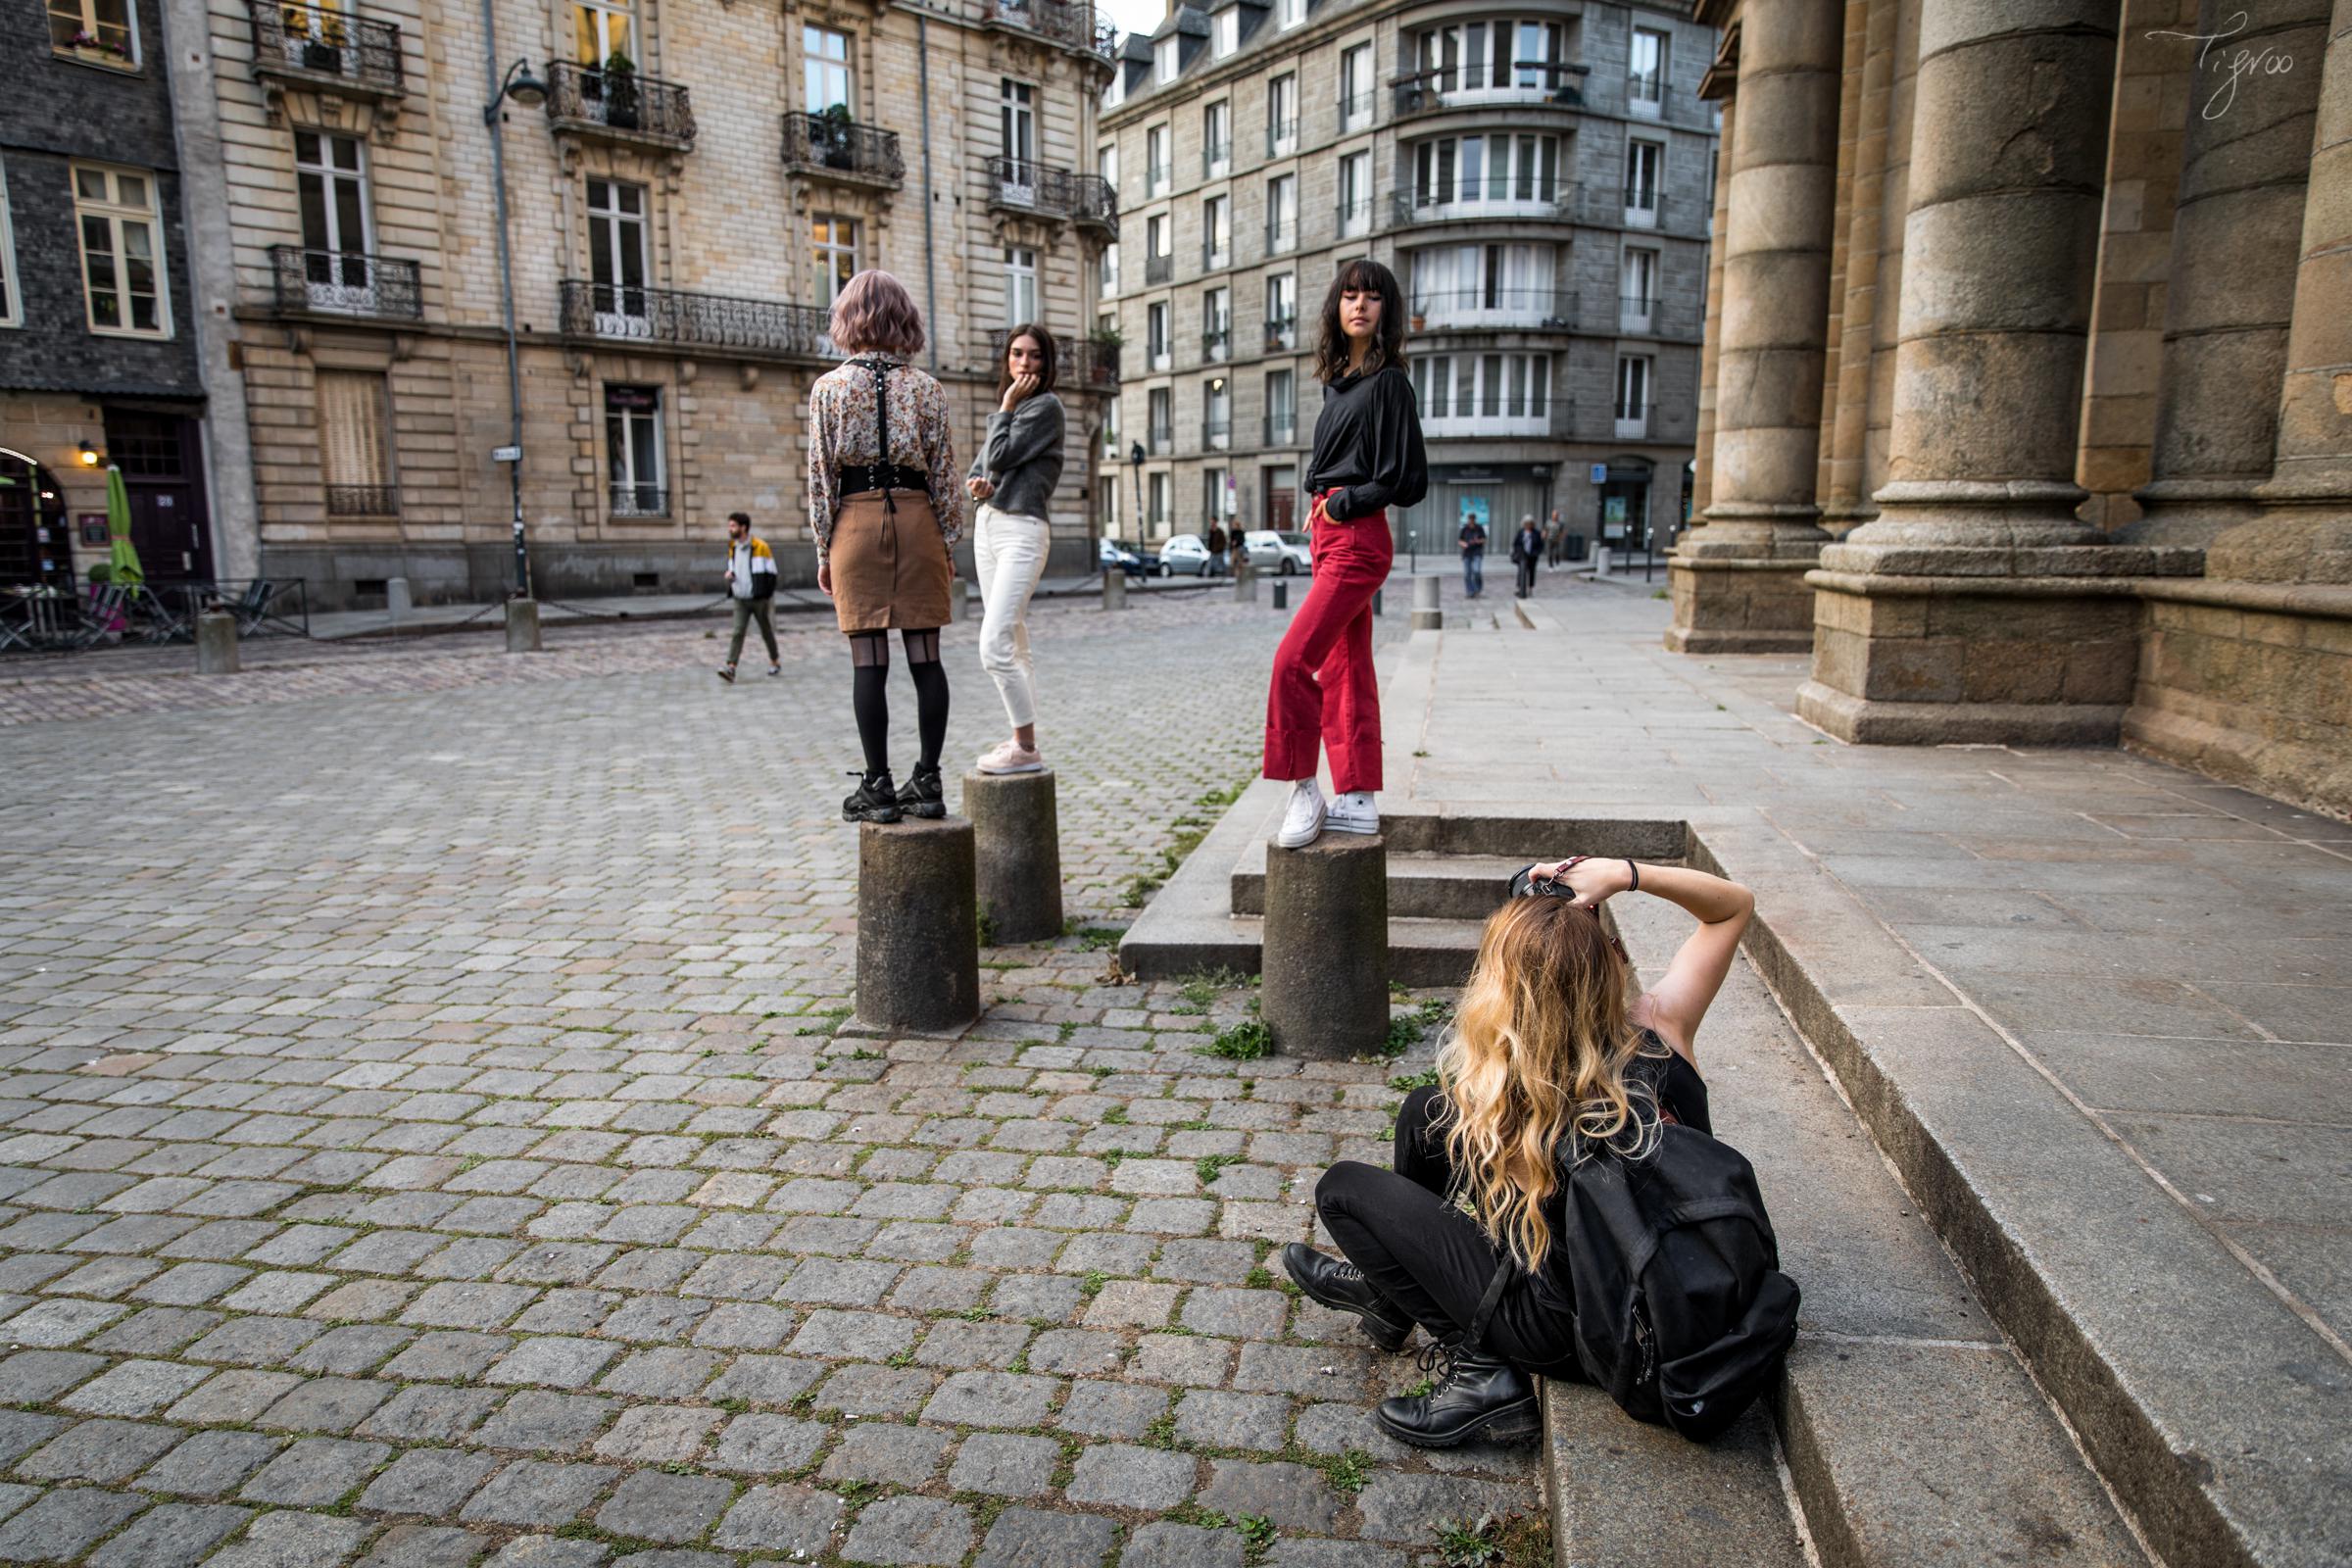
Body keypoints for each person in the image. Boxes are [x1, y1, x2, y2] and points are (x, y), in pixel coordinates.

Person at [1282, 856, 1755, 1447]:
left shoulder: (1517, 1090)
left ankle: (1483, 1375)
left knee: (1344, 1190)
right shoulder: (1663, 1029)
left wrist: (1531, 920)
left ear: (1504, 992)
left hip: (1576, 1332)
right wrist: (1624, 873)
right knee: (1425, 1114)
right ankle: (1387, 1298)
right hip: (1659, 1284)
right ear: (1612, 961)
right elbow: (1733, 905)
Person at [1267, 258, 1428, 849]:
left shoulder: (1387, 382)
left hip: (1357, 535)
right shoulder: (1340, 387)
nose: (1359, 304)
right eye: (1350, 295)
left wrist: (1342, 504)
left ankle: (1302, 785)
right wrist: (1323, 510)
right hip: (1327, 532)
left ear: (1387, 310)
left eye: (1372, 296)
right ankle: (1357, 796)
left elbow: (1407, 478)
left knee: (1292, 661)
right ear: (1337, 308)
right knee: (1344, 666)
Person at [808, 270, 963, 825]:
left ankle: (877, 784)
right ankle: (928, 781)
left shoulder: (828, 388)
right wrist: (948, 540)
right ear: (905, 320)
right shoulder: (928, 389)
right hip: (918, 518)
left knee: (868, 659)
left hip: (856, 522)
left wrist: (824, 547)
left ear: (847, 319)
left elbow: (821, 475)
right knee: (926, 657)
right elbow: (944, 475)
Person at [965, 323, 1063, 776]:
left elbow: (1000, 455)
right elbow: (983, 467)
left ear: (1046, 363)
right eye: (1017, 354)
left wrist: (1004, 407)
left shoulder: (1045, 407)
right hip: (988, 525)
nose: (1024, 363)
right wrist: (978, 484)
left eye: (1035, 356)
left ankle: (1024, 746)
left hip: (1022, 529)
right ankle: (1024, 741)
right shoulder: (1018, 409)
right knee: (1015, 641)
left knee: (994, 642)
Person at [716, 511, 780, 683]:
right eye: (730, 525)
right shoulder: (733, 547)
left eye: (733, 525)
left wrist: (766, 594)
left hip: (759, 598)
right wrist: (731, 575)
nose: (730, 529)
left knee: (766, 631)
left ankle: (775, 661)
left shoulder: (761, 546)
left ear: (743, 527)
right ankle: (731, 667)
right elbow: (735, 568)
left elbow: (772, 573)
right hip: (740, 598)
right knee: (738, 632)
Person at [1510, 514, 1544, 599]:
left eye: (1530, 523)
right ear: (1524, 524)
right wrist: (1518, 550)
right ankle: (1520, 588)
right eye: (1526, 523)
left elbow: (1540, 545)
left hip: (1533, 556)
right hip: (1522, 555)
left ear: (1532, 524)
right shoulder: (1521, 532)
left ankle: (1530, 589)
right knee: (1521, 571)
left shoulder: (1536, 533)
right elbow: (1516, 543)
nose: (1528, 525)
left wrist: (1537, 552)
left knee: (1531, 572)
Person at [1457, 511, 1487, 600]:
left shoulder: (1479, 528)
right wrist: (1464, 544)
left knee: (1476, 571)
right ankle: (1470, 591)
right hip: (1467, 553)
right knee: (1467, 574)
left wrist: (1478, 541)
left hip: (1477, 552)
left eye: (1472, 518)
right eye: (1470, 518)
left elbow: (1484, 539)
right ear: (1468, 519)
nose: (1471, 520)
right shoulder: (1465, 529)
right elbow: (1460, 540)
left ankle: (1478, 588)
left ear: (1474, 519)